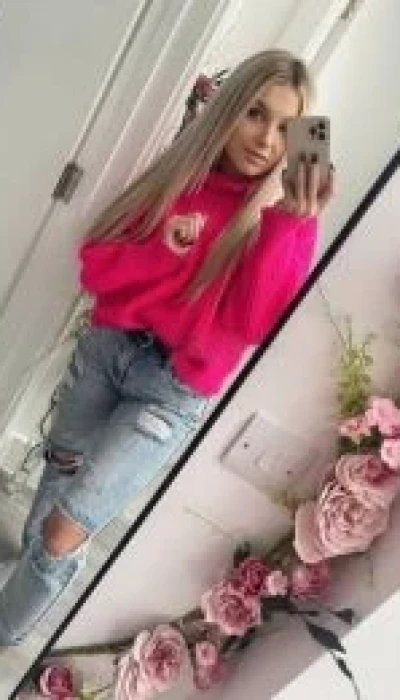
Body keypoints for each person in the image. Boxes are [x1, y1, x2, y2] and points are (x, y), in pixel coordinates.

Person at [0, 48, 334, 646]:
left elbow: (252, 324)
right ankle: (21, 580)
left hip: (171, 392)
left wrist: (289, 222)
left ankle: (5, 627)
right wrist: (165, 252)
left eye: (288, 127)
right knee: (58, 471)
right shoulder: (178, 180)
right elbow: (96, 268)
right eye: (255, 113)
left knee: (65, 528)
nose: (266, 139)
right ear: (228, 110)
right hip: (106, 351)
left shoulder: (287, 223)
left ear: (302, 140)